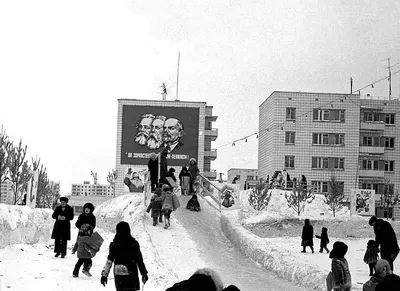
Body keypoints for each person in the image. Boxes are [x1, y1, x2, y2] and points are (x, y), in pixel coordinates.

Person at [100, 221, 148, 291]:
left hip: (119, 273)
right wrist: (143, 273)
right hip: (131, 273)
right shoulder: (133, 243)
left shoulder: (114, 244)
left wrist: (104, 275)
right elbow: (139, 260)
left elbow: (109, 261)